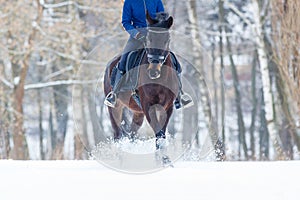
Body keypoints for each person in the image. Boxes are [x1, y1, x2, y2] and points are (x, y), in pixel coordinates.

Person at [104, 0, 193, 109]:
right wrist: (136, 34)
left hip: (155, 37)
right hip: (137, 36)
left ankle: (180, 95)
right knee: (124, 59)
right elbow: (125, 22)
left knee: (173, 60)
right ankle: (114, 94)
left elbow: (162, 18)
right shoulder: (130, 2)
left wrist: (160, 27)